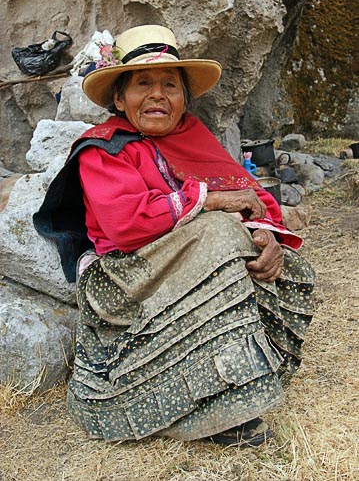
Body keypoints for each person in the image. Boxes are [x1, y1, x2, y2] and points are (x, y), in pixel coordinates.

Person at [34, 24, 315, 446]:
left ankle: (241, 379)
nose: (157, 95)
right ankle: (211, 411)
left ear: (185, 98)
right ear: (118, 97)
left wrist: (263, 237)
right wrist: (209, 201)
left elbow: (253, 199)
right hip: (125, 281)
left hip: (187, 264)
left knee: (278, 261)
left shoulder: (194, 138)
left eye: (170, 84)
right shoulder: (104, 149)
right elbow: (127, 225)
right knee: (219, 235)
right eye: (142, 83)